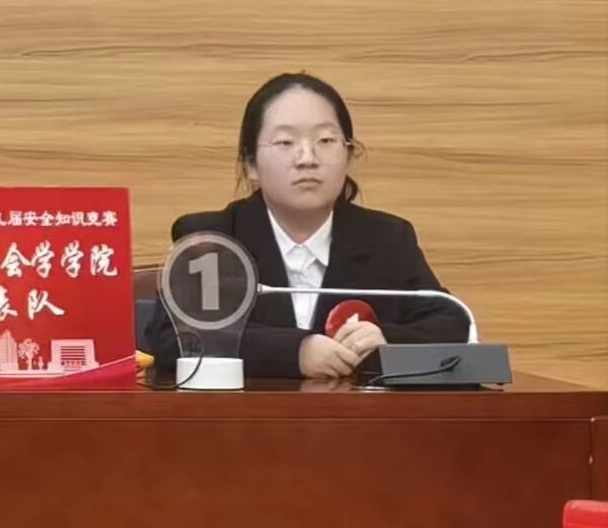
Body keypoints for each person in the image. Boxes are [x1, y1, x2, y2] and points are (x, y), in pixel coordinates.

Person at [146, 72, 468, 379]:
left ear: (349, 154)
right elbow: (173, 338)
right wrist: (296, 351)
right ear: (251, 164)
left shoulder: (386, 239)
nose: (307, 158)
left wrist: (386, 340)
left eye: (325, 140)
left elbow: (451, 321)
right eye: (285, 142)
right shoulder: (213, 239)